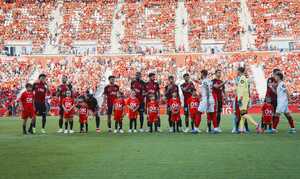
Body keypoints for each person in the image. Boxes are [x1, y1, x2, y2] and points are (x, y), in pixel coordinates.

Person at [235, 67, 259, 133]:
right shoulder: (243, 78)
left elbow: (242, 89)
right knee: (242, 114)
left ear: (239, 71)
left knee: (243, 114)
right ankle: (241, 130)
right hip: (244, 98)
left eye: (237, 70)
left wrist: (240, 98)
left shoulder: (242, 78)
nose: (236, 72)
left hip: (243, 98)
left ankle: (256, 124)